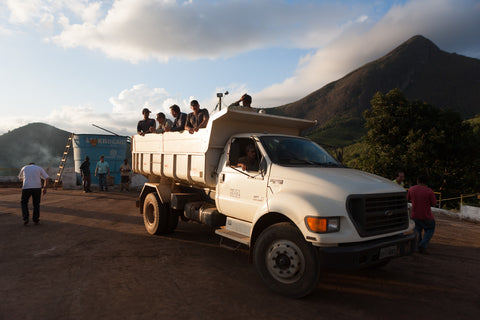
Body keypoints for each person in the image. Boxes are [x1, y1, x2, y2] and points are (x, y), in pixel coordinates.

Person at [407, 175, 437, 254]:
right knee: (430, 229)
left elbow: (408, 199)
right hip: (426, 215)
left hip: (415, 215)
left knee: (417, 230)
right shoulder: (429, 191)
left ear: (417, 181)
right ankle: (422, 245)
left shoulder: (412, 189)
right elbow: (434, 204)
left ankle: (418, 245)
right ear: (426, 182)